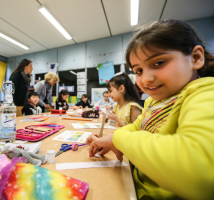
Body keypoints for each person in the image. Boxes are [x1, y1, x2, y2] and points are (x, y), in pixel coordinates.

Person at [86, 19, 214, 199]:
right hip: (134, 186)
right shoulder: (154, 102)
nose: (146, 79)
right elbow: (138, 126)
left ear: (196, 58)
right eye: (138, 71)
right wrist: (108, 140)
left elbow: (198, 171)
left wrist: (119, 138)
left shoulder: (205, 93)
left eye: (159, 62)